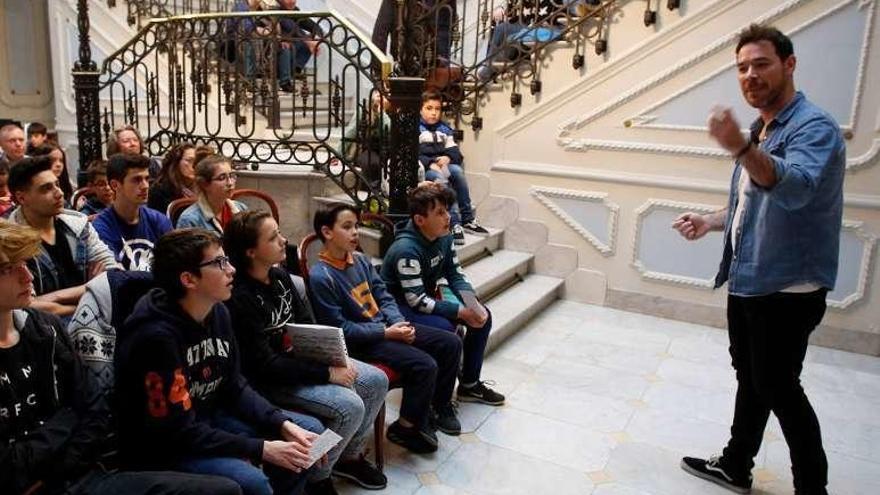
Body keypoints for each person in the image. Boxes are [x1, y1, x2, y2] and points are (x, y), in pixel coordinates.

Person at [672, 25, 844, 495]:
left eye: (761, 64)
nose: (750, 75)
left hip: (787, 288)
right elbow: (754, 202)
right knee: (754, 378)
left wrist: (741, 149)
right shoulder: (759, 128)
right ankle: (735, 462)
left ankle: (813, 488)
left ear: (789, 64)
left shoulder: (814, 127)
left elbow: (796, 187)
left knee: (780, 388)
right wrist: (711, 221)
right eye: (743, 67)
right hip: (750, 276)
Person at [0, 220, 243, 495]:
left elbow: (92, 407)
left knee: (224, 490)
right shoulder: (154, 334)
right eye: (8, 269)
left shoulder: (46, 329)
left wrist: (61, 463)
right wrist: (65, 424)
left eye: (25, 263)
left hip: (74, 474)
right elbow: (8, 463)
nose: (27, 276)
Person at [114, 228, 324, 495]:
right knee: (254, 482)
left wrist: (281, 423)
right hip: (165, 445)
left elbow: (235, 385)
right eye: (219, 263)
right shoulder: (154, 338)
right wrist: (262, 448)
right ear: (188, 279)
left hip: (209, 418)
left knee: (308, 437)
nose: (232, 269)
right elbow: (176, 432)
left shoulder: (218, 311)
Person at [224, 210, 389, 494]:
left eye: (279, 233)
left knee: (376, 380)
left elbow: (308, 328)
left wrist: (334, 357)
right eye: (273, 237)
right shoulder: (239, 298)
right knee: (350, 406)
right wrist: (327, 373)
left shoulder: (279, 277)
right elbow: (265, 365)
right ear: (251, 251)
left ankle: (346, 457)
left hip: (301, 362)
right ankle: (319, 478)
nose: (283, 240)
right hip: (272, 380)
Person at [309, 202, 462, 453]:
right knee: (424, 364)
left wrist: (395, 321)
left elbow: (385, 296)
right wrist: (386, 332)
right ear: (327, 232)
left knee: (450, 342)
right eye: (347, 227)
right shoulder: (321, 276)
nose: (355, 232)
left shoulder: (360, 259)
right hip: (364, 342)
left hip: (386, 328)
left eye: (356, 226)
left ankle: (438, 406)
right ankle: (406, 428)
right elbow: (340, 329)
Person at [382, 183, 505, 407]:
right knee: (445, 329)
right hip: (398, 308)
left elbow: (455, 274)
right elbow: (416, 300)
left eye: (447, 210)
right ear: (420, 220)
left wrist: (472, 305)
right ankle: (438, 399)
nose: (448, 217)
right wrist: (460, 311)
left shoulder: (444, 237)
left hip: (424, 299)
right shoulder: (406, 249)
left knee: (482, 317)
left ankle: (469, 385)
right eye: (440, 212)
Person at [7, 156, 118, 317]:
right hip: (44, 331)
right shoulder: (11, 240)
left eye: (57, 185)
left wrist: (55, 297)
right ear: (21, 198)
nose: (59, 193)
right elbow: (25, 305)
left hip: (93, 323)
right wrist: (91, 289)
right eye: (46, 189)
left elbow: (113, 275)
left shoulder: (78, 224)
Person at [418, 91, 488, 245]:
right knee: (442, 180)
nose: (434, 112)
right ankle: (454, 223)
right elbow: (414, 154)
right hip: (427, 169)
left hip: (443, 165)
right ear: (421, 109)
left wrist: (448, 157)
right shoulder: (417, 128)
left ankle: (468, 219)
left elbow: (455, 152)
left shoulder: (444, 128)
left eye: (437, 109)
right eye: (429, 108)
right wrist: (430, 162)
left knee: (457, 172)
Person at [93, 154, 173, 271]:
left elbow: (174, 269)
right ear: (115, 185)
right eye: (137, 180)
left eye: (147, 179)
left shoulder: (159, 220)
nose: (145, 186)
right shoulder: (101, 228)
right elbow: (115, 278)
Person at [177, 154, 247, 234]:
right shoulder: (190, 219)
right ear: (204, 184)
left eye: (231, 176)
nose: (230, 183)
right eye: (222, 178)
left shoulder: (241, 208)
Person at [340, 91, 391, 188]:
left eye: (383, 96)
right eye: (378, 95)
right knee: (372, 163)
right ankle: (372, 189)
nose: (381, 98)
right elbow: (350, 132)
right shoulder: (364, 110)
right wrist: (339, 153)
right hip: (366, 148)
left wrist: (382, 113)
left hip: (386, 147)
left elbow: (389, 128)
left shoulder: (392, 110)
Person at [276, 0, 323, 92]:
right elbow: (291, 27)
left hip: (293, 47)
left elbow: (314, 26)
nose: (292, 1)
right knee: (286, 46)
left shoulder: (295, 11)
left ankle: (296, 70)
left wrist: (317, 39)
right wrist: (308, 41)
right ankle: (285, 83)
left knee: (307, 41)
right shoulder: (276, 10)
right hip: (275, 48)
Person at [149, 142, 197, 214]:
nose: (195, 165)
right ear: (176, 162)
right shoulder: (160, 190)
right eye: (189, 160)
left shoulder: (203, 187)